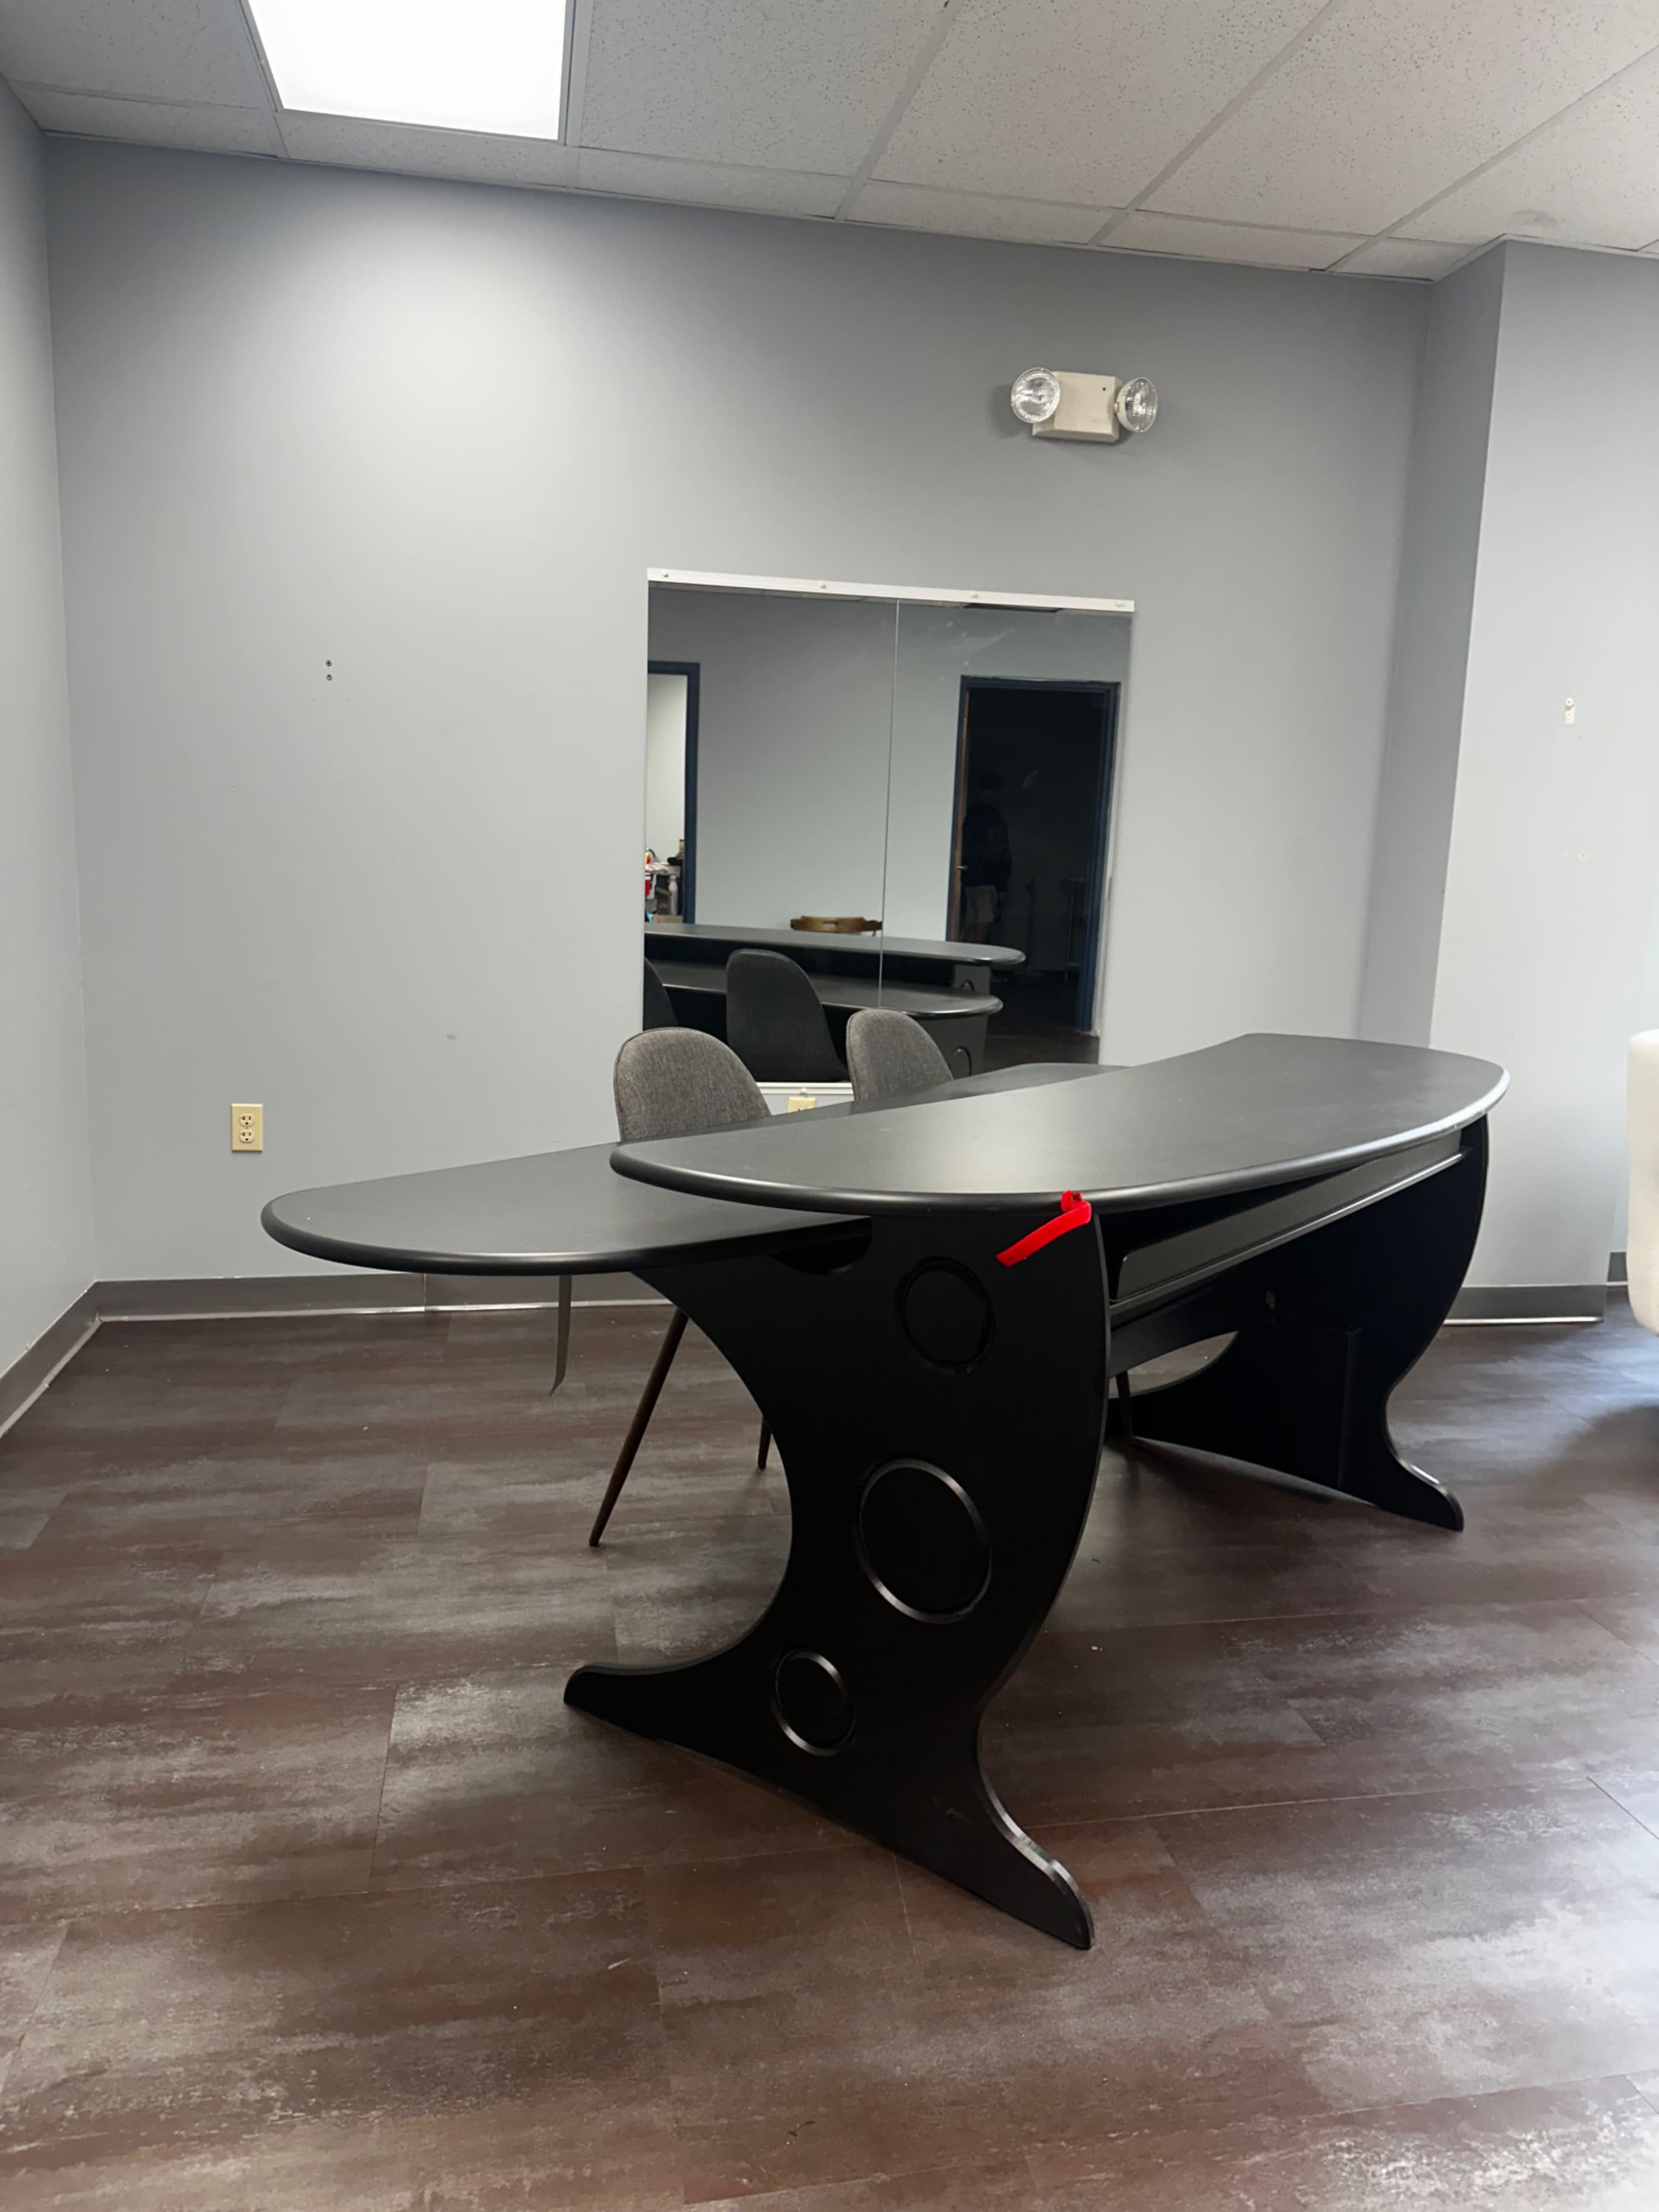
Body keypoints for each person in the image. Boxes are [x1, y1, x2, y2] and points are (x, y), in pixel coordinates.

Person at [959, 772, 1011, 941]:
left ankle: (961, 961)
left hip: (970, 875)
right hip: (985, 876)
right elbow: (997, 848)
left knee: (971, 920)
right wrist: (1002, 882)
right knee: (984, 920)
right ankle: (976, 963)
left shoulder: (971, 813)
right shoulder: (989, 815)